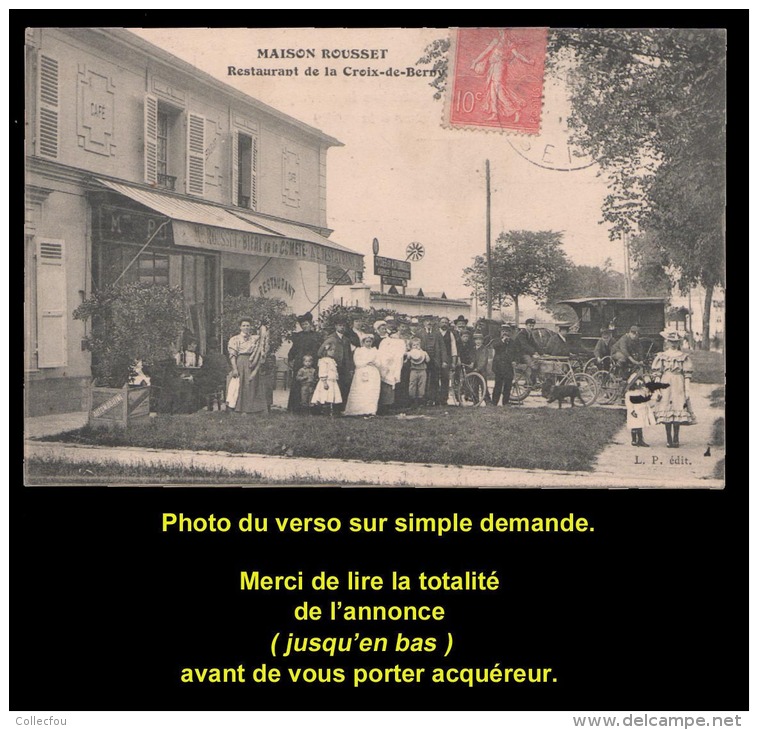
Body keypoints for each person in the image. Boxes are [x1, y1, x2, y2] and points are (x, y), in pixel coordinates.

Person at [470, 28, 534, 123]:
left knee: (499, 91)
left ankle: (515, 110)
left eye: (504, 30)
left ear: (506, 31)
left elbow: (517, 55)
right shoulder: (497, 41)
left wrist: (528, 62)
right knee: (492, 91)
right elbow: (486, 52)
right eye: (501, 30)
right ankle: (495, 114)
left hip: (500, 67)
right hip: (494, 67)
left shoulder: (509, 43)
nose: (503, 32)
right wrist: (476, 61)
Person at [651, 330, 695, 448]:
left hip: (678, 384)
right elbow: (657, 374)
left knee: (677, 409)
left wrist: (687, 390)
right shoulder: (662, 356)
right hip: (665, 383)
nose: (673, 344)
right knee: (666, 410)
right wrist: (657, 388)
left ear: (679, 342)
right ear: (667, 342)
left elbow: (687, 375)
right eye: (671, 341)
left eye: (676, 341)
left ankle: (676, 438)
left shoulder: (683, 357)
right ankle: (668, 439)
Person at [227, 318, 269, 415]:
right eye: (244, 325)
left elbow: (264, 338)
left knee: (251, 385)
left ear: (251, 327)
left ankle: (251, 409)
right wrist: (234, 368)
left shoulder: (254, 338)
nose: (246, 327)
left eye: (248, 325)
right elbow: (232, 355)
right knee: (240, 385)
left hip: (252, 362)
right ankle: (240, 409)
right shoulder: (235, 339)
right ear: (240, 327)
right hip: (240, 361)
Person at [287, 312, 322, 412]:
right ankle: (297, 408)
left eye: (306, 324)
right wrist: (290, 359)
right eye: (303, 325)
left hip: (313, 362)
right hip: (300, 362)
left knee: (312, 383)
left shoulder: (316, 336)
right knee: (299, 384)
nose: (305, 326)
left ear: (310, 324)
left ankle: (313, 408)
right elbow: (293, 349)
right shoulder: (298, 336)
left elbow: (319, 349)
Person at [318, 314, 355, 408]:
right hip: (333, 367)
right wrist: (328, 360)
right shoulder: (331, 338)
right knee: (333, 387)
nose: (342, 328)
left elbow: (349, 355)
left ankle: (341, 408)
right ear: (335, 326)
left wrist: (350, 368)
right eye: (340, 325)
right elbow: (321, 352)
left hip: (344, 367)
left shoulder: (346, 340)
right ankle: (331, 407)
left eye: (343, 326)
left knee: (343, 386)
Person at [344, 335, 381, 416]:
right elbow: (357, 362)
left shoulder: (375, 350)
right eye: (366, 341)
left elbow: (379, 362)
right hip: (362, 372)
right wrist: (367, 361)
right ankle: (358, 410)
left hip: (373, 372)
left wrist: (374, 363)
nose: (368, 343)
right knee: (361, 391)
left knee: (371, 391)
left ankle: (371, 410)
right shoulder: (359, 351)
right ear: (363, 342)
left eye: (370, 341)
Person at [418, 315, 447, 405]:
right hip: (423, 360)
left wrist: (444, 361)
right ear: (423, 323)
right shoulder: (419, 333)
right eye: (427, 321)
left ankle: (433, 399)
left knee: (434, 380)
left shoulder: (437, 334)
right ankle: (423, 399)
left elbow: (443, 348)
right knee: (424, 380)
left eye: (430, 321)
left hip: (435, 360)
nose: (429, 323)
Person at [491, 324, 520, 406]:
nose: (505, 333)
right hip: (498, 367)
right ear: (500, 332)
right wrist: (503, 341)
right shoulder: (497, 341)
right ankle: (494, 402)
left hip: (509, 367)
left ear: (510, 333)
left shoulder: (513, 342)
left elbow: (517, 353)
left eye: (507, 331)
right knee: (498, 385)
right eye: (503, 331)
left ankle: (505, 402)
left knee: (508, 386)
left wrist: (515, 361)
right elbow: (495, 347)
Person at [311, 343, 342, 415]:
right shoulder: (323, 361)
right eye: (330, 350)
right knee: (324, 395)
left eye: (333, 350)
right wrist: (324, 382)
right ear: (325, 351)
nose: (332, 352)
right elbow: (322, 371)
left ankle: (330, 410)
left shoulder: (332, 360)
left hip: (332, 381)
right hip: (326, 381)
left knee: (331, 396)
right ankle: (320, 410)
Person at [625, 379, 655, 447]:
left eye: (640, 384)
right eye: (637, 384)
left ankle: (640, 440)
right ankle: (634, 440)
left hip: (641, 411)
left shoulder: (642, 392)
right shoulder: (629, 393)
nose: (639, 386)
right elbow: (628, 404)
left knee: (640, 425)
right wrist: (632, 411)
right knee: (634, 425)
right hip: (635, 411)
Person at [438, 316, 459, 403]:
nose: (444, 324)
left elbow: (454, 349)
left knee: (445, 379)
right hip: (436, 359)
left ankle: (443, 399)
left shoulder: (450, 334)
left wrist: (454, 362)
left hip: (447, 359)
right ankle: (435, 399)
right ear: (439, 323)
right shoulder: (436, 333)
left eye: (446, 322)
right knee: (435, 379)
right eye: (442, 322)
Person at [515, 318, 541, 384]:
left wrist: (542, 353)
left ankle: (533, 381)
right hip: (520, 354)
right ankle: (530, 382)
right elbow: (524, 346)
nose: (532, 327)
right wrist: (533, 353)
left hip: (526, 353)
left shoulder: (529, 334)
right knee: (533, 365)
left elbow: (535, 344)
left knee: (539, 363)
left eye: (533, 326)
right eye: (530, 325)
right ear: (526, 325)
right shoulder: (521, 334)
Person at [406, 337, 430, 409]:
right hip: (413, 370)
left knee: (421, 385)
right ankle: (412, 401)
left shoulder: (423, 352)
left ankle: (420, 401)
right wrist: (409, 354)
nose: (416, 346)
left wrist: (424, 355)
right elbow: (406, 359)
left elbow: (428, 360)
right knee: (412, 385)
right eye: (414, 345)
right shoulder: (410, 353)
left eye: (418, 344)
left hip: (422, 370)